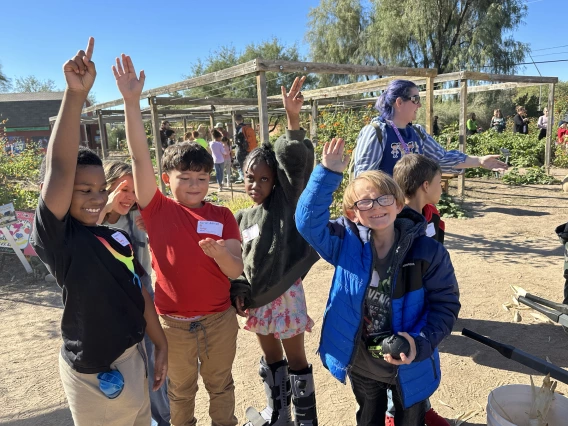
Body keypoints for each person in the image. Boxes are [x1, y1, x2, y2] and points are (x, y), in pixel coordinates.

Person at [30, 38, 168, 426]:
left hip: (133, 358)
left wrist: (159, 342)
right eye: (83, 189)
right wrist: (75, 95)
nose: (95, 198)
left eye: (100, 189)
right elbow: (59, 165)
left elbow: (140, 289)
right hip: (94, 376)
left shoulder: (117, 238)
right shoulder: (61, 240)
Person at [114, 52, 244, 426]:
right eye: (184, 177)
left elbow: (236, 268)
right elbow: (140, 158)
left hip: (220, 320)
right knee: (179, 392)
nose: (194, 185)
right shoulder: (156, 209)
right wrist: (130, 102)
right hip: (173, 325)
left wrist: (220, 254)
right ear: (167, 178)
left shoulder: (221, 215)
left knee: (221, 386)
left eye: (202, 178)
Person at [296, 138, 460, 426]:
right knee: (368, 416)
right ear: (353, 213)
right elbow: (307, 223)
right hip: (363, 362)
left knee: (411, 419)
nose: (376, 207)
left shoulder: (427, 251)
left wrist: (418, 343)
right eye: (365, 202)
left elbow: (445, 305)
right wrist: (327, 172)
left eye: (384, 199)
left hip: (410, 363)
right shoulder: (345, 245)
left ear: (398, 205)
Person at [231, 77, 320, 426]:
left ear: (276, 181)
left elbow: (295, 165)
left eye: (264, 178)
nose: (255, 185)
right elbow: (236, 260)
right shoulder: (241, 217)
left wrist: (292, 122)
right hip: (257, 299)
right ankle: (278, 414)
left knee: (295, 359)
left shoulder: (285, 202)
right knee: (271, 359)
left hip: (284, 296)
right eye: (250, 178)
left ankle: (306, 418)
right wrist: (238, 288)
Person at [96, 160, 172, 426]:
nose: (128, 198)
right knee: (119, 367)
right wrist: (105, 207)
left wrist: (153, 228)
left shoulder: (139, 216)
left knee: (154, 363)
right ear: (107, 187)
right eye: (122, 189)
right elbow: (81, 242)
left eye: (133, 191)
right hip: (107, 305)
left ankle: (163, 419)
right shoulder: (91, 219)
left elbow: (169, 246)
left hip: (142, 295)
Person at [353, 79, 507, 178]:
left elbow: (442, 159)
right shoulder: (376, 132)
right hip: (384, 216)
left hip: (411, 214)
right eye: (416, 99)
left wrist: (479, 161)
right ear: (399, 102)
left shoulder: (417, 133)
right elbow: (363, 179)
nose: (419, 105)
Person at [393, 154, 445, 245]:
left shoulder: (433, 214)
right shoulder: (391, 220)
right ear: (426, 186)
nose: (442, 188)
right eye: (439, 182)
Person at [234, 114, 258, 183]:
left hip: (241, 150)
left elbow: (237, 141)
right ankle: (252, 177)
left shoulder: (238, 128)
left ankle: (246, 179)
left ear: (236, 121)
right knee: (249, 163)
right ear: (242, 119)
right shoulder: (248, 127)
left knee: (241, 165)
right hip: (249, 149)